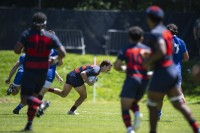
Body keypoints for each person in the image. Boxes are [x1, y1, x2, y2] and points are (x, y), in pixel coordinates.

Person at [144, 6, 200, 133]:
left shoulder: (157, 32)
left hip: (162, 71)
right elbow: (186, 58)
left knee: (152, 101)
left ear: (149, 18)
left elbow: (161, 50)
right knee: (178, 102)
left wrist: (147, 60)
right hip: (174, 71)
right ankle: (196, 128)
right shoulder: (175, 38)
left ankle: (153, 130)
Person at [14, 12, 66, 131]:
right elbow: (63, 53)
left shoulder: (27, 34)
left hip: (30, 70)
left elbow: (17, 50)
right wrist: (54, 60)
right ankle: (29, 125)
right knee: (34, 96)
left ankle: (40, 104)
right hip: (43, 71)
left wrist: (25, 47)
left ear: (32, 22)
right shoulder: (50, 36)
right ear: (45, 23)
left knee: (24, 99)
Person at [114, 26, 150, 133]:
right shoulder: (147, 50)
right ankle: (137, 113)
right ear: (141, 38)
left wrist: (123, 68)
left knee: (124, 106)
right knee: (133, 102)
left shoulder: (127, 49)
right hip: (144, 80)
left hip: (132, 79)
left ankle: (130, 129)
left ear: (129, 38)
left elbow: (116, 65)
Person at [8, 49, 63, 114]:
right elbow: (60, 63)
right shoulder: (57, 51)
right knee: (39, 95)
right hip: (49, 76)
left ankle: (21, 108)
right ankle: (38, 108)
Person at [48, 60, 112, 115]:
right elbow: (83, 73)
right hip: (76, 78)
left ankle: (47, 89)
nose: (108, 70)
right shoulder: (96, 70)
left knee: (63, 94)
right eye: (108, 68)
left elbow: (83, 72)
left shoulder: (95, 67)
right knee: (83, 96)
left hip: (71, 74)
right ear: (104, 66)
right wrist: (88, 82)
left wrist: (86, 80)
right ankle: (71, 111)